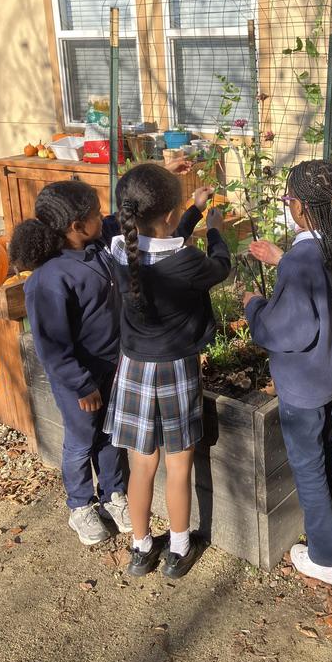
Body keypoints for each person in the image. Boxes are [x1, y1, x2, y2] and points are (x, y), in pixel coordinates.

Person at [104, 163, 231, 579]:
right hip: (175, 369)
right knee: (179, 466)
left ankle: (141, 548)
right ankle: (178, 548)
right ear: (169, 217)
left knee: (142, 466)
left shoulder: (120, 250)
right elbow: (220, 267)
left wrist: (190, 211)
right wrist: (212, 228)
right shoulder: (187, 261)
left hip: (134, 367)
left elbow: (163, 240)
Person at [245, 160, 332, 586]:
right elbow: (322, 291)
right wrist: (283, 260)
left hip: (305, 385)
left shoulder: (301, 261)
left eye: (287, 200)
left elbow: (286, 330)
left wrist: (253, 307)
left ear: (298, 207)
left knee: (309, 467)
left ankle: (326, 559)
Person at [9, 180, 130, 546]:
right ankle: (80, 506)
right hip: (78, 379)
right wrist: (82, 384)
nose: (103, 216)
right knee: (80, 441)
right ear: (76, 225)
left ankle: (114, 495)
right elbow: (52, 347)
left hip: (112, 367)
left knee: (111, 435)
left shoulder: (95, 243)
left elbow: (123, 216)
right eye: (95, 213)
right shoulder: (49, 279)